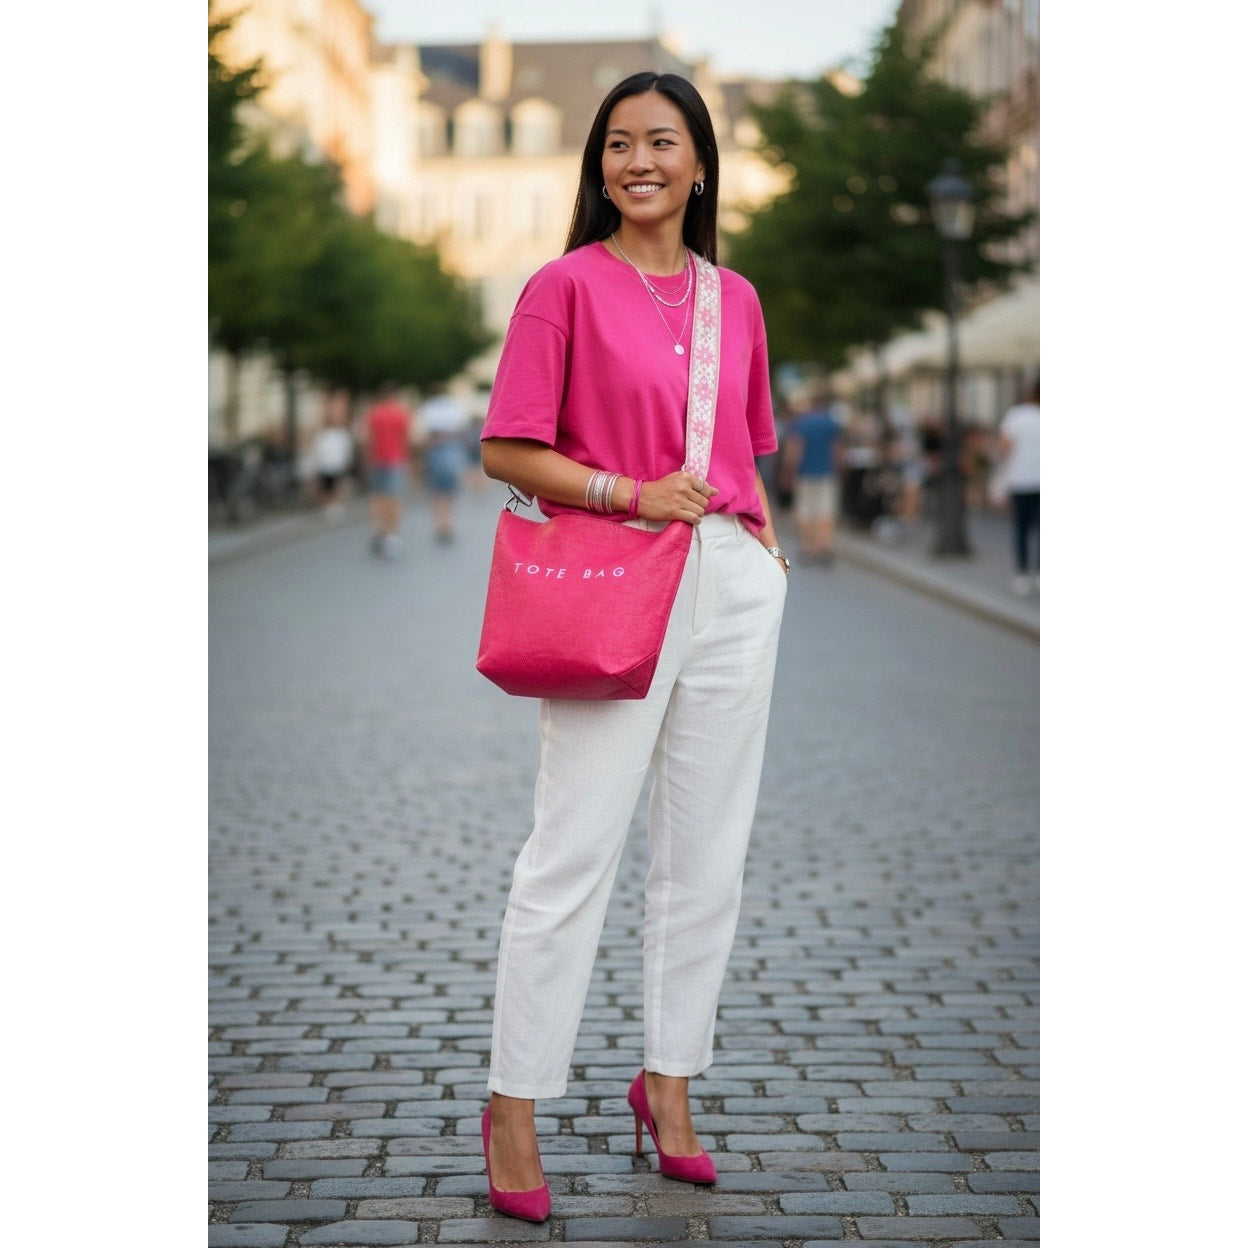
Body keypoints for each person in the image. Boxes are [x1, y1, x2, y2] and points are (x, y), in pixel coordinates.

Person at [477, 71, 789, 1223]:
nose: (639, 161)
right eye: (618, 144)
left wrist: (760, 549)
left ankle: (669, 1083)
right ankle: (515, 1103)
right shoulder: (563, 287)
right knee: (572, 855)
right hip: (614, 581)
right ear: (597, 165)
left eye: (663, 142)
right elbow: (510, 449)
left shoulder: (737, 300)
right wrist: (626, 490)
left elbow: (744, 451)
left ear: (701, 163)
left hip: (731, 585)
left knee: (706, 857)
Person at [783, 385, 844, 564]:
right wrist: (839, 468)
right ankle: (824, 546)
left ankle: (808, 548)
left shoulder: (802, 423)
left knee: (806, 511)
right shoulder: (830, 423)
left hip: (805, 473)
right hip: (827, 472)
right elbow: (837, 450)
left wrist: (789, 471)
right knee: (825, 510)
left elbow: (795, 450)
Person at [997, 378, 1040, 595]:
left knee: (1021, 529)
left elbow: (1005, 448)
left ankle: (1022, 575)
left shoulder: (1017, 416)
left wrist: (1001, 475)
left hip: (1021, 480)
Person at [418, 382, 472, 542]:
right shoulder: (454, 407)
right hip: (453, 449)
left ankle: (439, 523)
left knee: (437, 490)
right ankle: (448, 523)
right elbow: (462, 430)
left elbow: (423, 434)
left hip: (435, 450)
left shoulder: (429, 407)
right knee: (449, 490)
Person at [363, 383, 411, 558]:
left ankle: (379, 530)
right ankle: (391, 534)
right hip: (395, 460)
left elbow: (368, 439)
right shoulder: (400, 413)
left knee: (377, 497)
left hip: (377, 460)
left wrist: (367, 459)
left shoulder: (374, 413)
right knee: (394, 498)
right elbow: (406, 438)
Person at [311, 396, 354, 520]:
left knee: (336, 486)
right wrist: (317, 463)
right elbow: (318, 449)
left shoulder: (342, 434)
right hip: (325, 465)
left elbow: (346, 449)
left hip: (337, 464)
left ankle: (335, 506)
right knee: (327, 486)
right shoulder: (322, 434)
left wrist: (346, 462)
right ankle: (330, 506)